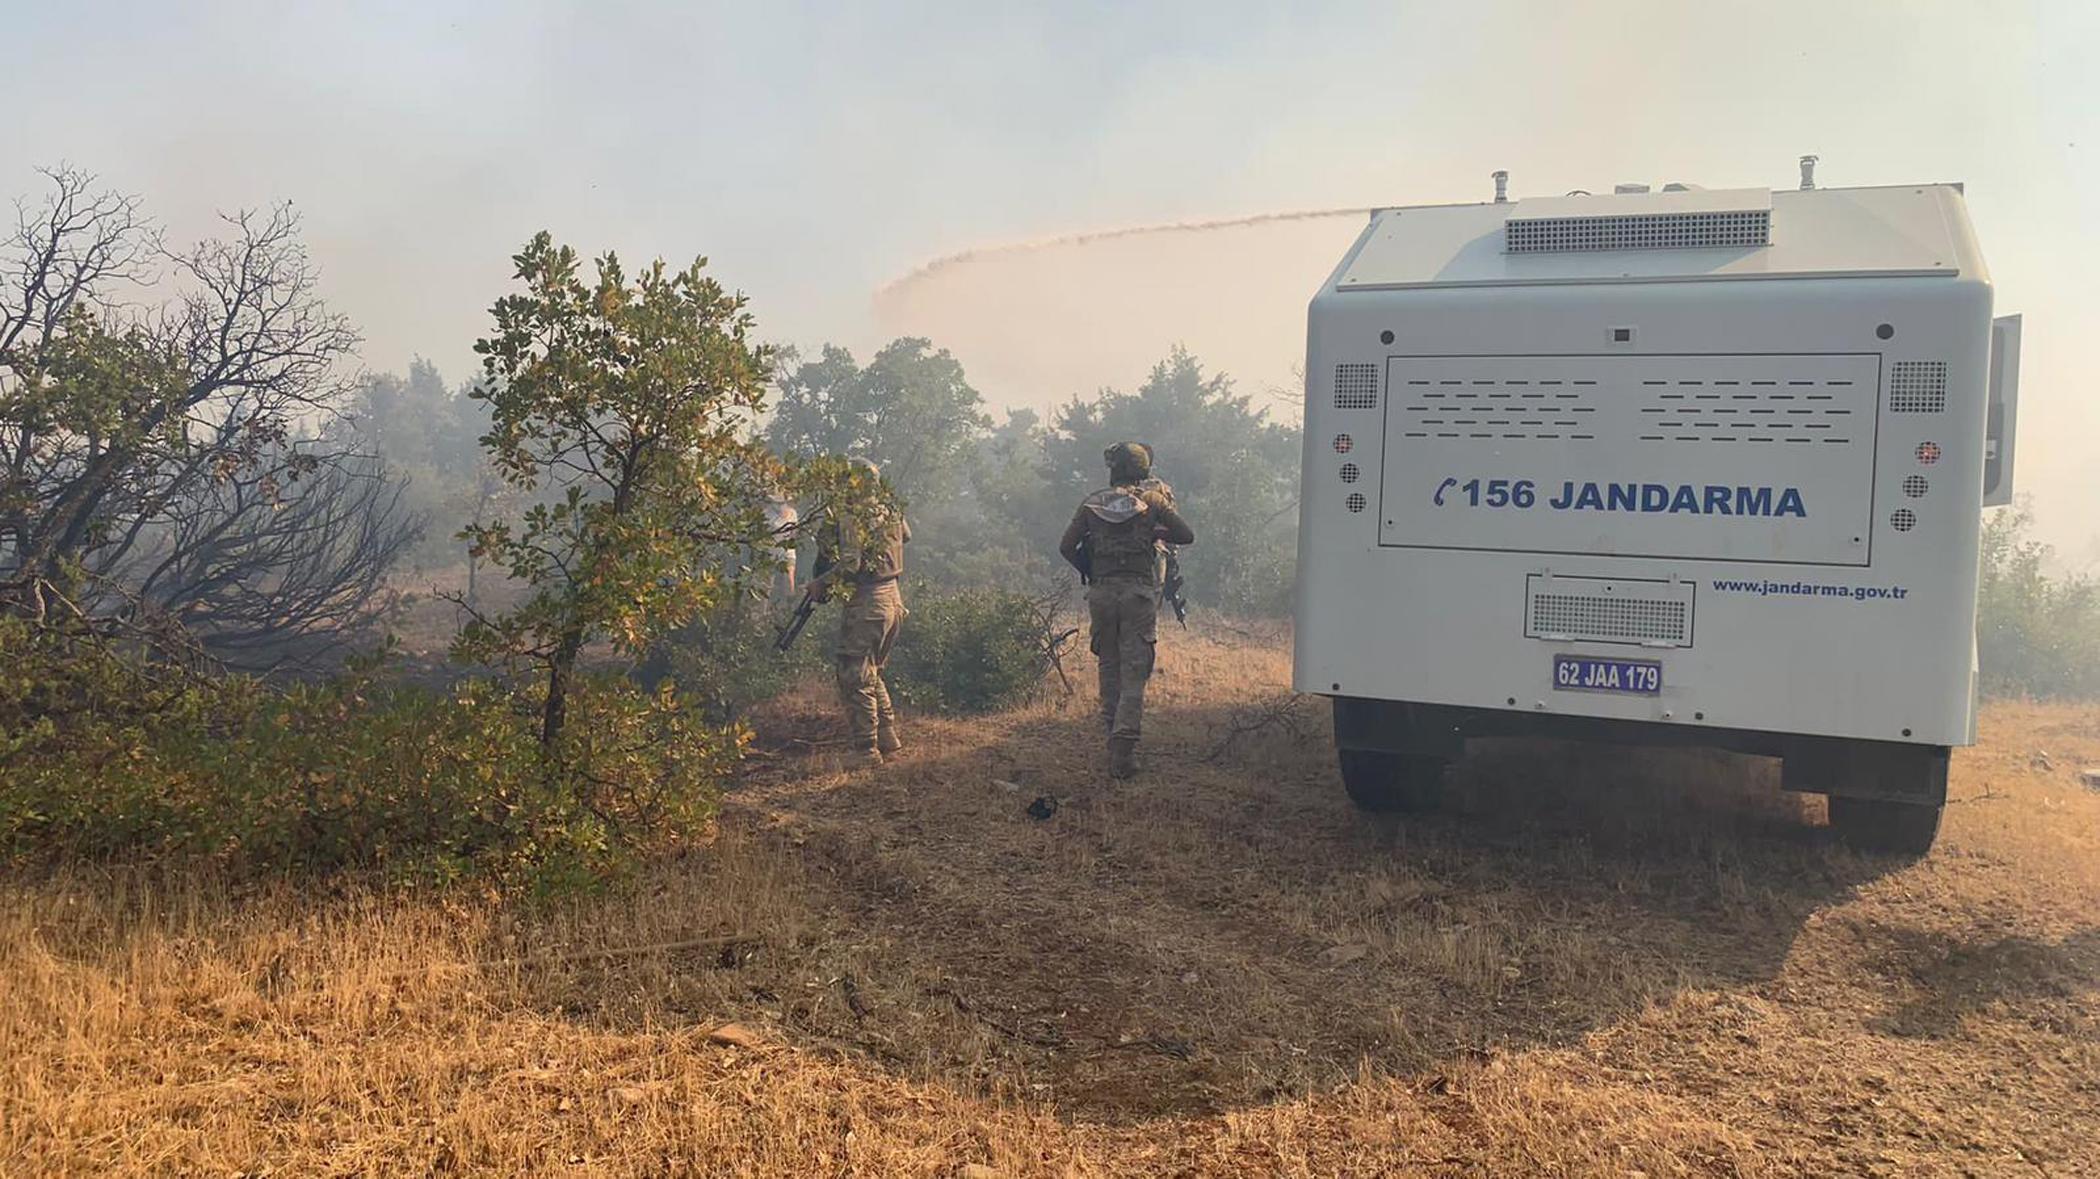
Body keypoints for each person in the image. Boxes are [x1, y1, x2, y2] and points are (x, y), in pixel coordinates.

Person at [1058, 442, 1195, 778]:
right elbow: (1186, 535)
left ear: (1113, 470)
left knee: (1109, 665)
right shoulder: (1153, 501)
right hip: (1137, 593)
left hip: (1102, 594)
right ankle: (1124, 748)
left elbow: (1066, 546)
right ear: (1143, 470)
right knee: (1135, 670)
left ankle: (1111, 736)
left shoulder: (1092, 502)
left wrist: (1090, 569)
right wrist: (1154, 530)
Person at [809, 458, 909, 768]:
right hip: (893, 598)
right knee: (872, 668)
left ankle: (866, 750)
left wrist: (820, 583)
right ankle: (887, 735)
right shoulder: (889, 509)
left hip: (868, 601)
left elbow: (850, 564)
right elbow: (905, 535)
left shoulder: (852, 516)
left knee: (854, 673)